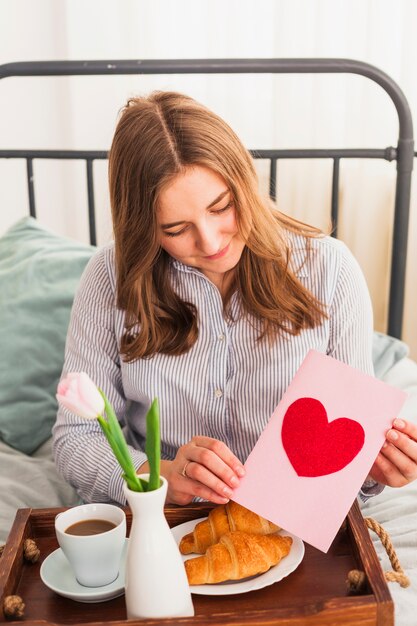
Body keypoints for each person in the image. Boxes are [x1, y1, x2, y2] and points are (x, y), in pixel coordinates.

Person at [52, 91, 417, 506]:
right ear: (143, 228)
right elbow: (75, 439)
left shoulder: (330, 270)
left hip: (291, 519)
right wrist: (160, 476)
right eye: (174, 229)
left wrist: (372, 469)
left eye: (222, 207)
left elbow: (347, 450)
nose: (209, 243)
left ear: (245, 183)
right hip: (164, 518)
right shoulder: (108, 277)